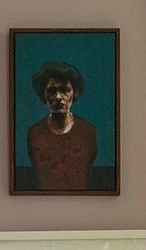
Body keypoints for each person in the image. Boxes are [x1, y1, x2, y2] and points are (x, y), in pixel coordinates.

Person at [24, 60, 97, 191]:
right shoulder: (34, 134)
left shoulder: (87, 132)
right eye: (52, 91)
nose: (58, 97)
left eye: (64, 90)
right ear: (44, 95)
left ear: (74, 93)